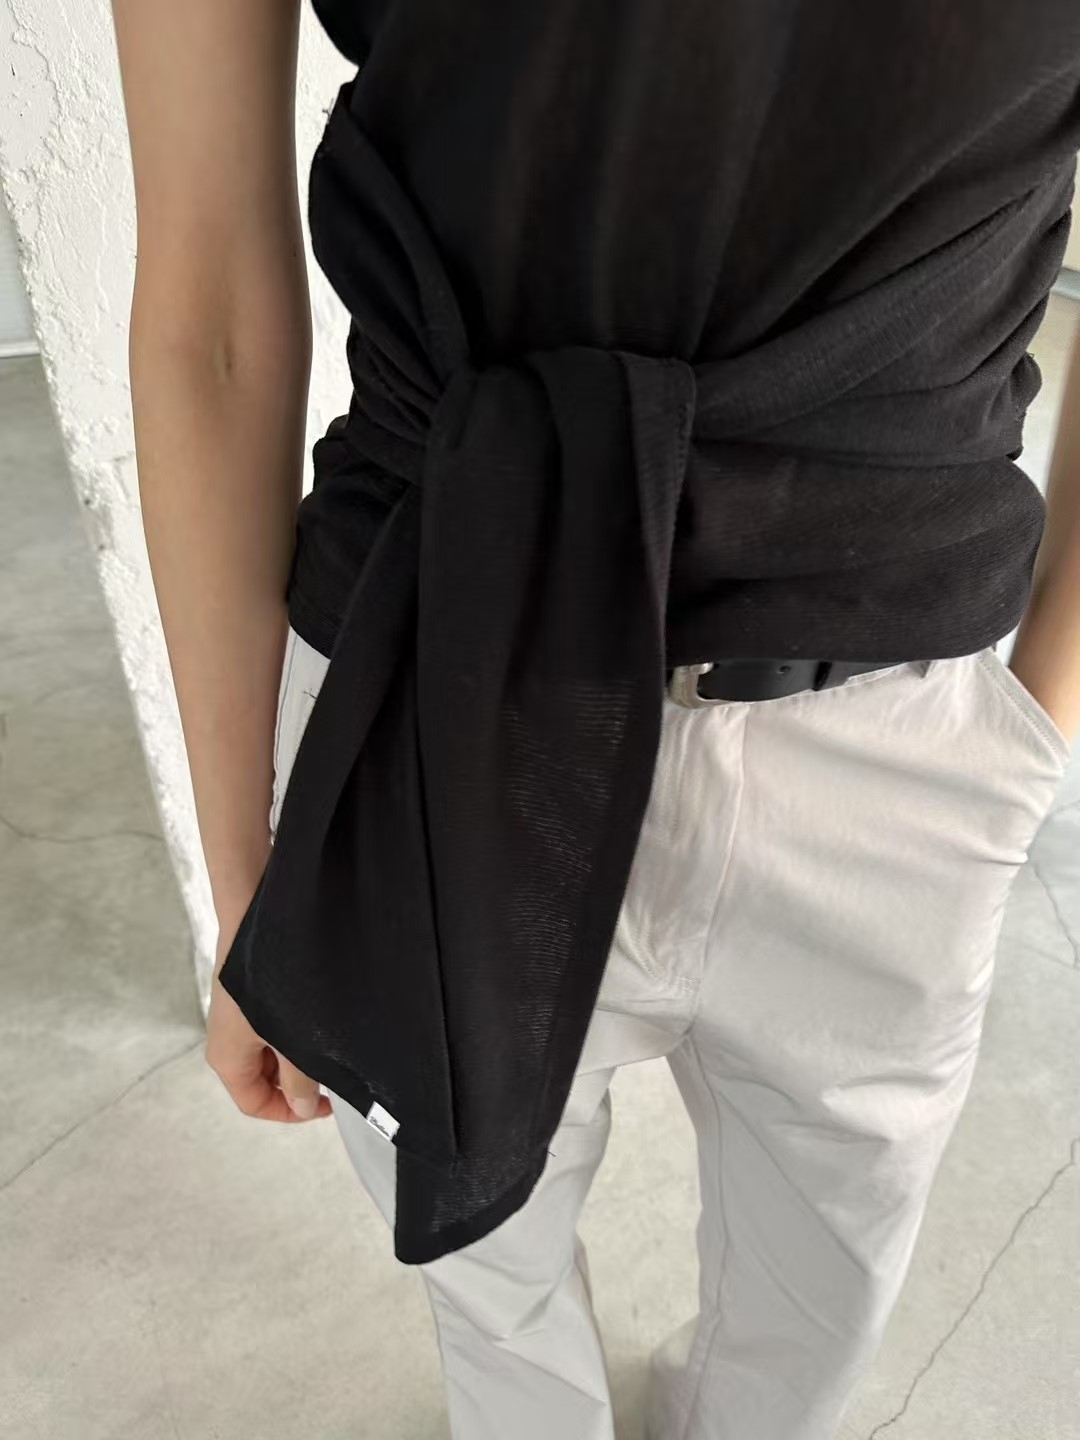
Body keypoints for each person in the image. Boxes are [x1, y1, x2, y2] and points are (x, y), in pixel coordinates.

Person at [111, 1, 1080, 1436]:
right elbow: (210, 312)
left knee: (822, 1307)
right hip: (427, 685)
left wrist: (1037, 726)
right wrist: (245, 874)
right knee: (485, 1284)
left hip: (896, 730)